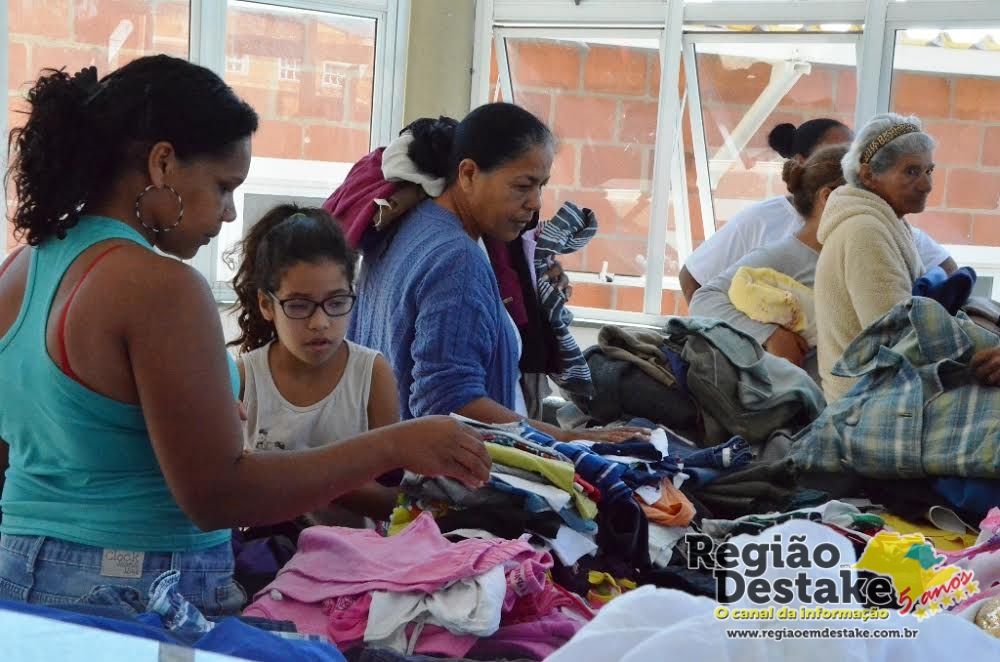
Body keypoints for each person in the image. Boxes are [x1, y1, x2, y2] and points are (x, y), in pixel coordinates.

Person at [0, 56, 490, 613]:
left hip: (19, 577)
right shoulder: (162, 288)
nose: (230, 214)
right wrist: (397, 443)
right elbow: (219, 496)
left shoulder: (20, 269)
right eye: (223, 186)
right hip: (137, 587)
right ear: (163, 163)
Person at [349, 103, 644, 443]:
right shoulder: (457, 259)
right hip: (440, 466)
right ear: (468, 174)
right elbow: (449, 403)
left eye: (541, 186)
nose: (535, 202)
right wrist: (567, 440)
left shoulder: (407, 224)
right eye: (522, 186)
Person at [228, 204, 400, 523]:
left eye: (336, 302)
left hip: (355, 554)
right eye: (299, 305)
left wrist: (298, 474)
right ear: (266, 304)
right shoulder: (244, 377)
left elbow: (393, 503)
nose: (320, 322)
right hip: (267, 552)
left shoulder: (372, 374)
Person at [679, 118, 954, 302]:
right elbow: (695, 282)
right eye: (839, 153)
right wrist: (747, 345)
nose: (850, 163)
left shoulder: (880, 225)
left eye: (854, 153)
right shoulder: (764, 224)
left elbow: (951, 275)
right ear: (804, 163)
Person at [690, 143, 848, 381]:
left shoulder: (853, 259)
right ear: (828, 198)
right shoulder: (786, 254)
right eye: (867, 203)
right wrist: (770, 334)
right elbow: (704, 300)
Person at [814, 113, 939, 401]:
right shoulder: (865, 231)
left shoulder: (888, 221)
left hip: (882, 391)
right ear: (869, 175)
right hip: (864, 407)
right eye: (911, 171)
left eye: (928, 170)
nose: (927, 185)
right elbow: (899, 339)